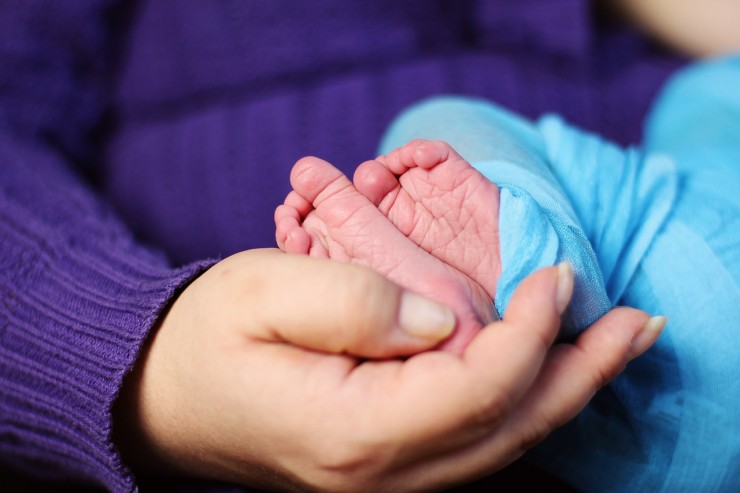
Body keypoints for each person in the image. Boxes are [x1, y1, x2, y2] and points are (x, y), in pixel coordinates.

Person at [0, 1, 681, 491]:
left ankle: (526, 259)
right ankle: (518, 258)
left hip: (662, 168)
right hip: (233, 331)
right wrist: (155, 361)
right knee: (460, 140)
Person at [276, 57, 739, 493]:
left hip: (629, 422)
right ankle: (522, 266)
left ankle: (519, 268)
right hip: (691, 284)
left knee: (442, 119)